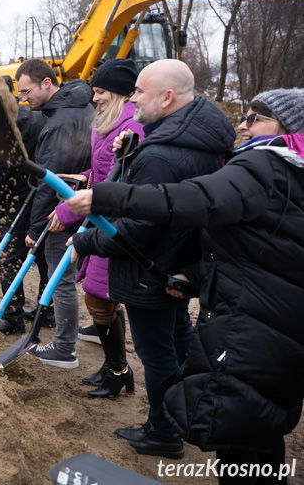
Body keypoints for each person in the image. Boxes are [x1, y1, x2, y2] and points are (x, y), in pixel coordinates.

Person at [65, 88, 304, 483]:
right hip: (278, 317)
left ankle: (166, 432)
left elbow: (197, 199)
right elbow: (262, 244)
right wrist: (194, 276)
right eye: (243, 116)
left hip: (256, 322)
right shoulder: (287, 169)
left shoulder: (267, 164)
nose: (242, 125)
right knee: (259, 424)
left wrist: (106, 197)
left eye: (256, 117)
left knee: (243, 434)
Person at [69, 59, 236, 459]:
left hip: (151, 269)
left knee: (156, 354)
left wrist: (85, 240)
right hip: (175, 265)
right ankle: (183, 416)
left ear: (167, 96)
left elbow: (139, 226)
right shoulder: (192, 136)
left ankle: (163, 431)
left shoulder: (165, 155)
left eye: (141, 92)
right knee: (178, 343)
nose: (134, 98)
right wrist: (133, 152)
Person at [50, 58, 143, 397]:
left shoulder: (132, 128)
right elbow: (103, 172)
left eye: (101, 92)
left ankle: (119, 368)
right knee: (102, 295)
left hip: (116, 223)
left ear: (119, 93)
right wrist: (84, 178)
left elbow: (124, 182)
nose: (95, 98)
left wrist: (70, 209)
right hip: (103, 216)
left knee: (97, 295)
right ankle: (113, 366)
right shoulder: (107, 123)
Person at [14, 59, 94, 368]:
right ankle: (95, 331)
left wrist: (35, 228)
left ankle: (64, 348)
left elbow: (50, 179)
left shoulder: (60, 122)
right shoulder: (79, 105)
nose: (24, 99)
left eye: (26, 91)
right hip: (82, 202)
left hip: (63, 211)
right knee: (82, 278)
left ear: (47, 83)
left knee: (61, 279)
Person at [0, 77, 47, 331]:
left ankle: (12, 317)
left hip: (16, 201)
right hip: (43, 195)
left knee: (9, 258)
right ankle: (47, 310)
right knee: (43, 256)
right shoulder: (36, 116)